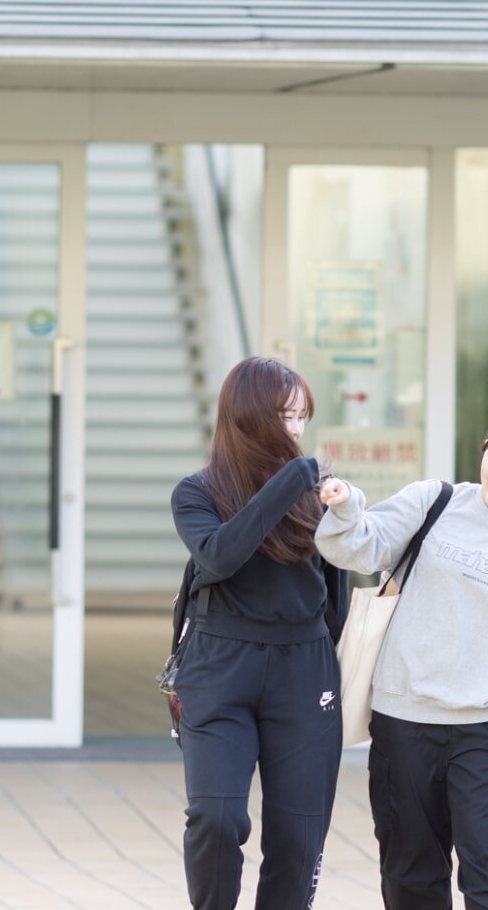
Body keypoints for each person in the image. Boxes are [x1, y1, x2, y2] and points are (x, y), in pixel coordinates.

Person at [314, 407, 488, 910]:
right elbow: (358, 550)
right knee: (411, 875)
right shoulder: (434, 501)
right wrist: (347, 506)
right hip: (404, 716)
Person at [170, 357, 346, 910]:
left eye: (302, 417)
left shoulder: (319, 494)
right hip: (219, 667)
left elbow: (334, 592)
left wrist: (324, 661)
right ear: (248, 417)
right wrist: (292, 479)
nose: (296, 431)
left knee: (298, 837)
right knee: (216, 817)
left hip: (303, 668)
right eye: (285, 417)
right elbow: (220, 555)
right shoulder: (196, 493)